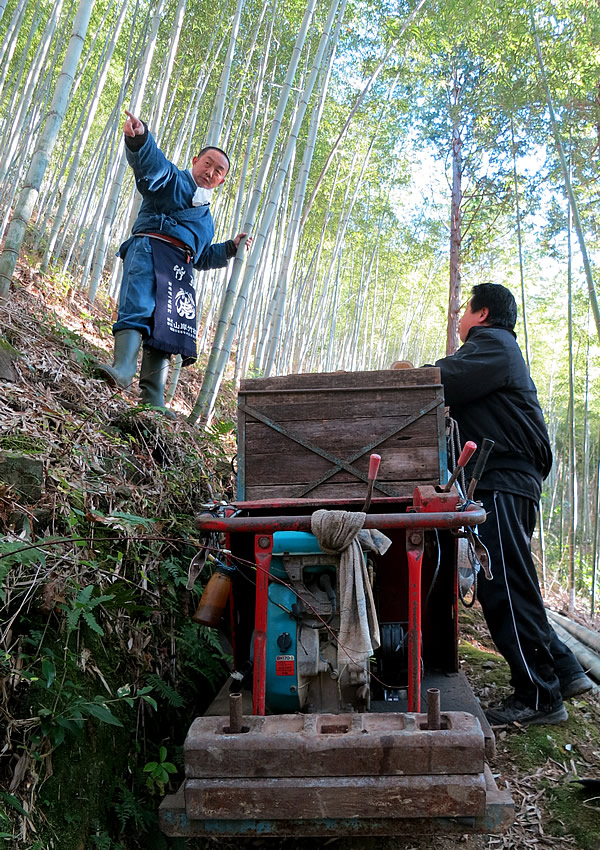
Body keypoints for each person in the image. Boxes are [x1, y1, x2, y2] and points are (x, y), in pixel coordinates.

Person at [435, 283, 593, 727]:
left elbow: (441, 382)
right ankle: (562, 669)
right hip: (507, 477)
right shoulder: (497, 349)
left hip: (503, 477)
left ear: (482, 314)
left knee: (502, 584)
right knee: (514, 580)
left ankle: (539, 696)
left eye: (465, 311)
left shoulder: (493, 345)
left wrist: (405, 377)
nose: (460, 319)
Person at [96, 110, 251, 412]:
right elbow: (154, 168)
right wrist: (141, 139)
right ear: (195, 162)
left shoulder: (207, 221)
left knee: (166, 328)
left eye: (218, 171)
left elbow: (203, 256)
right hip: (149, 249)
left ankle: (153, 398)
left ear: (221, 181)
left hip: (180, 270)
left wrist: (230, 248)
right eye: (208, 163)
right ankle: (123, 370)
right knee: (138, 307)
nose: (211, 172)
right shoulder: (174, 181)